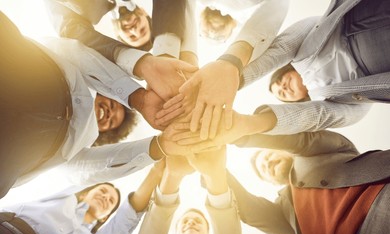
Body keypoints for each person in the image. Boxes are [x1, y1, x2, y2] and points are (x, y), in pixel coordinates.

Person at [0, 12, 193, 198]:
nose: (108, 113)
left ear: (104, 133)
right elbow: (68, 50)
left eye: (112, 121)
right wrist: (137, 98)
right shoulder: (78, 71)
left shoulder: (75, 150)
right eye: (112, 105)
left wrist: (159, 146)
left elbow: (83, 172)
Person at [227, 129, 390, 234]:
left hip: (379, 205)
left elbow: (301, 140)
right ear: (272, 183)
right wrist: (215, 169)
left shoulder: (314, 151)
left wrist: (241, 135)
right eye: (264, 169)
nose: (267, 163)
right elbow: (249, 210)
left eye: (268, 156)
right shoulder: (284, 212)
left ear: (283, 150)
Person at [236, 0, 390, 136]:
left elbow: (281, 48)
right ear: (296, 101)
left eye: (280, 81)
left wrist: (236, 80)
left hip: (362, 16)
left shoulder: (299, 54)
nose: (284, 87)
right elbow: (320, 117)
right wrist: (251, 123)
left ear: (287, 71)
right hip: (380, 63)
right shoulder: (328, 102)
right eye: (282, 94)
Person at [161, 0, 290, 140]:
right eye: (219, 37)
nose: (212, 33)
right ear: (233, 28)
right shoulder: (251, 8)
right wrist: (232, 62)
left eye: (205, 33)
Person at [0, 160, 165, 234]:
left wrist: (156, 172)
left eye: (111, 201)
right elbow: (90, 172)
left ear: (105, 217)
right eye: (102, 191)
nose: (105, 198)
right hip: (6, 231)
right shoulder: (63, 196)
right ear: (86, 192)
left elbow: (123, 224)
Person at [44, 0, 199, 103]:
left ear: (118, 36)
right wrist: (165, 55)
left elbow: (69, 30)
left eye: (131, 36)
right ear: (146, 14)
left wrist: (142, 63)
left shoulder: (86, 10)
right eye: (143, 30)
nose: (134, 30)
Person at [133, 148, 247, 234]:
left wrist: (214, 175)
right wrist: (173, 175)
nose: (191, 222)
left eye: (198, 221)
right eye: (185, 221)